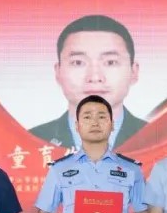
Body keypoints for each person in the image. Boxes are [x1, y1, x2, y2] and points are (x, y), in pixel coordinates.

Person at [29, 15, 147, 150]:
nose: (95, 77)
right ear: (58, 72)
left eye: (110, 62)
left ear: (133, 72)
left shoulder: (157, 141)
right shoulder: (31, 143)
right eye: (78, 62)